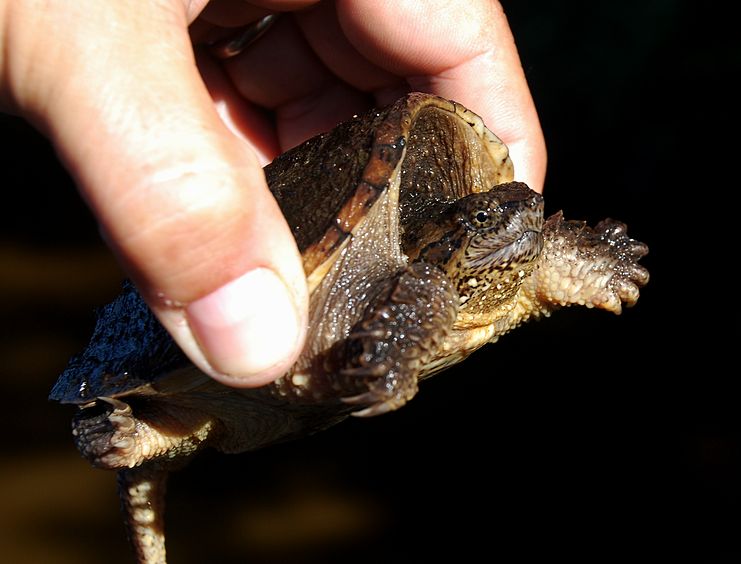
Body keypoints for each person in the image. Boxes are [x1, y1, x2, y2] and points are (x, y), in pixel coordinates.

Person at [0, 0, 546, 387]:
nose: (516, 221)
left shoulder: (484, 254)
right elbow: (420, 285)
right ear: (438, 238)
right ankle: (140, 420)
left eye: (518, 212)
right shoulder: (422, 284)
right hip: (198, 383)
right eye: (480, 222)